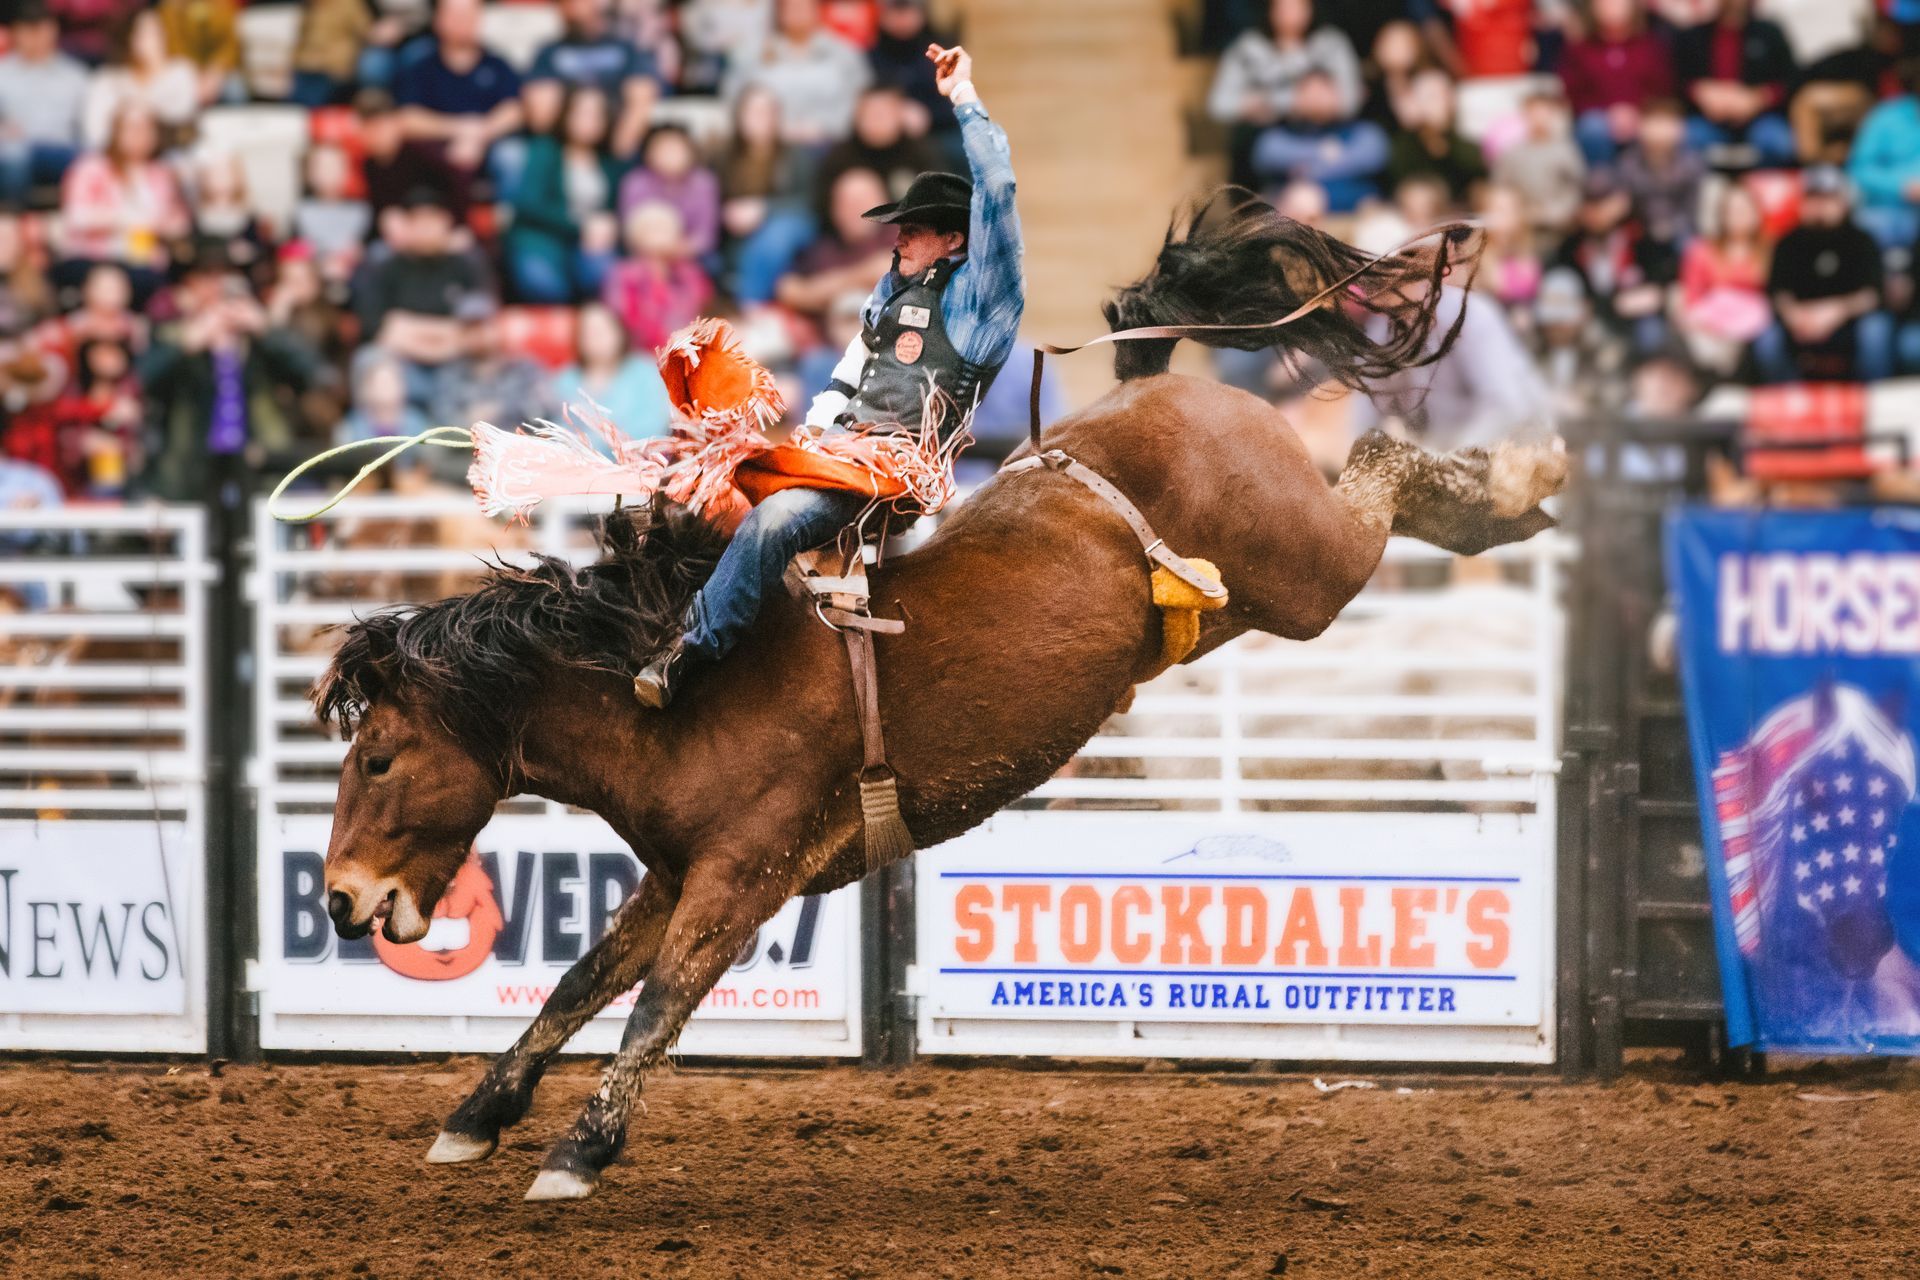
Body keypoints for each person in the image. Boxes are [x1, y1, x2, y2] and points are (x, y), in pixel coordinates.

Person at [634, 42, 1023, 707]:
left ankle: (691, 650)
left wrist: (963, 98)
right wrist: (810, 435)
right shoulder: (891, 290)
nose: (896, 237)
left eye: (913, 229)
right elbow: (853, 368)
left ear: (954, 240)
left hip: (893, 469)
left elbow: (999, 189)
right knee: (699, 491)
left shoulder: (980, 300)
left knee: (772, 522)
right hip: (839, 451)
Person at [1753, 165, 1893, 383]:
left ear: (1843, 202)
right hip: (1801, 325)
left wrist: (1837, 311)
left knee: (1876, 330)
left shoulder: (1861, 240)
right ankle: (1785, 400)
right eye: (1813, 198)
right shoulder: (1788, 243)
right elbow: (1777, 291)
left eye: (1827, 198)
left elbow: (1874, 294)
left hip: (1848, 324)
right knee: (1767, 338)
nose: (1820, 207)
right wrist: (1794, 316)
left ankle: (1875, 398)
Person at [1208, 0, 1363, 188]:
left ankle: (1313, 175)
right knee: (1267, 150)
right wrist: (1290, 101)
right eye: (1283, 7)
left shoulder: (1331, 42)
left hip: (1330, 133)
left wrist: (1326, 102)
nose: (1291, 14)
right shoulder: (1248, 48)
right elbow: (1218, 105)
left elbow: (1351, 99)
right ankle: (1320, 169)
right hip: (1281, 137)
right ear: (1269, 10)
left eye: (1298, 6)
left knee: (1372, 142)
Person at [391, 0, 524, 214]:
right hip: (437, 150)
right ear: (438, 20)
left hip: (486, 147)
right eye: (454, 14)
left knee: (512, 155)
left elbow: (515, 110)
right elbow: (407, 118)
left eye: (468, 14)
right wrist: (460, 130)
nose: (462, 21)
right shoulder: (421, 66)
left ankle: (508, 223)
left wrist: (480, 134)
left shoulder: (497, 64)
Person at [55, 102, 190, 302]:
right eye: (132, 127)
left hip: (145, 261)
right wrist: (124, 220)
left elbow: (178, 221)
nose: (139, 134)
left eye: (146, 127)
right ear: (116, 131)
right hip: (96, 258)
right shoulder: (92, 168)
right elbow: (76, 216)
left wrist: (167, 226)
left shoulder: (162, 174)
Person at [505, 85, 626, 304]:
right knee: (542, 283)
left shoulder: (609, 161)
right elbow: (529, 205)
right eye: (581, 112)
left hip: (589, 245)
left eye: (597, 114)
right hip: (544, 238)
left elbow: (613, 209)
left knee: (607, 273)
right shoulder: (545, 149)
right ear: (565, 113)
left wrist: (608, 226)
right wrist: (581, 226)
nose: (588, 121)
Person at [723, 0, 873, 146]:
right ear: (779, 11)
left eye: (804, 6)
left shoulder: (845, 52)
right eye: (790, 6)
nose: (797, 12)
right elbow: (733, 95)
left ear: (817, 9)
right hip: (763, 145)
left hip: (831, 143)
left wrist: (826, 126)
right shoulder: (752, 52)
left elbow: (861, 99)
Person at [523, 0, 661, 157]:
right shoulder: (549, 53)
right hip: (565, 146)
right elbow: (540, 117)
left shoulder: (625, 48)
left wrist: (620, 147)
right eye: (566, 4)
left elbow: (642, 99)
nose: (574, 10)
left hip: (614, 141)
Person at [722, 85, 820, 305]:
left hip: (792, 221)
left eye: (767, 111)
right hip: (740, 230)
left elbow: (810, 201)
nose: (760, 119)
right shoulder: (724, 156)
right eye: (753, 111)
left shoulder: (795, 154)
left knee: (775, 236)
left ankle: (750, 303)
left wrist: (764, 208)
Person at [1673, 0, 1797, 166]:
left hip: (1760, 118)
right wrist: (1700, 93)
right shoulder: (1693, 36)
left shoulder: (1770, 33)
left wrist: (1760, 98)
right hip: (1707, 120)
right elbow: (1677, 80)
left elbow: (1791, 80)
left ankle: (1768, 189)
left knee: (1779, 143)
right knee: (1684, 140)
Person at [1248, 67, 1388, 212]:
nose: (1316, 97)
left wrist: (1306, 169)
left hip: (1357, 214)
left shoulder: (1364, 132)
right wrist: (1324, 153)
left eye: (1323, 89)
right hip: (1299, 223)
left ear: (1338, 94)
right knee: (1302, 198)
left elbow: (1375, 157)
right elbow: (1265, 155)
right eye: (1308, 91)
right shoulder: (1278, 136)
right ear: (1296, 98)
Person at [1559, 0, 1677, 166]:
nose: (1611, 7)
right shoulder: (1580, 49)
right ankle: (1601, 184)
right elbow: (1573, 93)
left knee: (1660, 128)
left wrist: (1637, 112)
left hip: (1643, 116)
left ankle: (1646, 184)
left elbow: (1663, 89)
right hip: (1597, 119)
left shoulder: (1651, 47)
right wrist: (1610, 113)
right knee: (1593, 128)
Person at [0, 2, 91, 206]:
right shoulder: (2, 73)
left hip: (63, 151)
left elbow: (88, 129)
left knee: (89, 161)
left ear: (53, 30)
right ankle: (15, 224)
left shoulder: (75, 75)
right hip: (16, 152)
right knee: (14, 159)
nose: (35, 38)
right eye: (28, 30)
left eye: (41, 29)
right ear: (15, 33)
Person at [551, 300, 673, 443]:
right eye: (588, 331)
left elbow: (655, 423)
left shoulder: (645, 372)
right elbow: (555, 429)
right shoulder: (565, 379)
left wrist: (600, 445)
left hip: (637, 461)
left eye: (602, 330)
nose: (596, 337)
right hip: (574, 462)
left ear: (619, 331)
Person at [601, 200, 713, 353]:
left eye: (665, 229)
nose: (659, 235)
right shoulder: (623, 274)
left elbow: (705, 311)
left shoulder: (690, 273)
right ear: (636, 236)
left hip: (689, 351)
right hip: (642, 354)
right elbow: (621, 320)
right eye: (652, 229)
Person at [82, 8, 200, 150]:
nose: (151, 39)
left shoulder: (180, 72)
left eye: (157, 32)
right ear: (128, 37)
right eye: (143, 33)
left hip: (169, 155)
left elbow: (181, 121)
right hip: (115, 159)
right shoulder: (107, 78)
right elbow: (94, 132)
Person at [1847, 58, 1920, 251]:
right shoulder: (1885, 117)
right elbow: (1858, 171)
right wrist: (1902, 187)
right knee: (1870, 228)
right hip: (1890, 211)